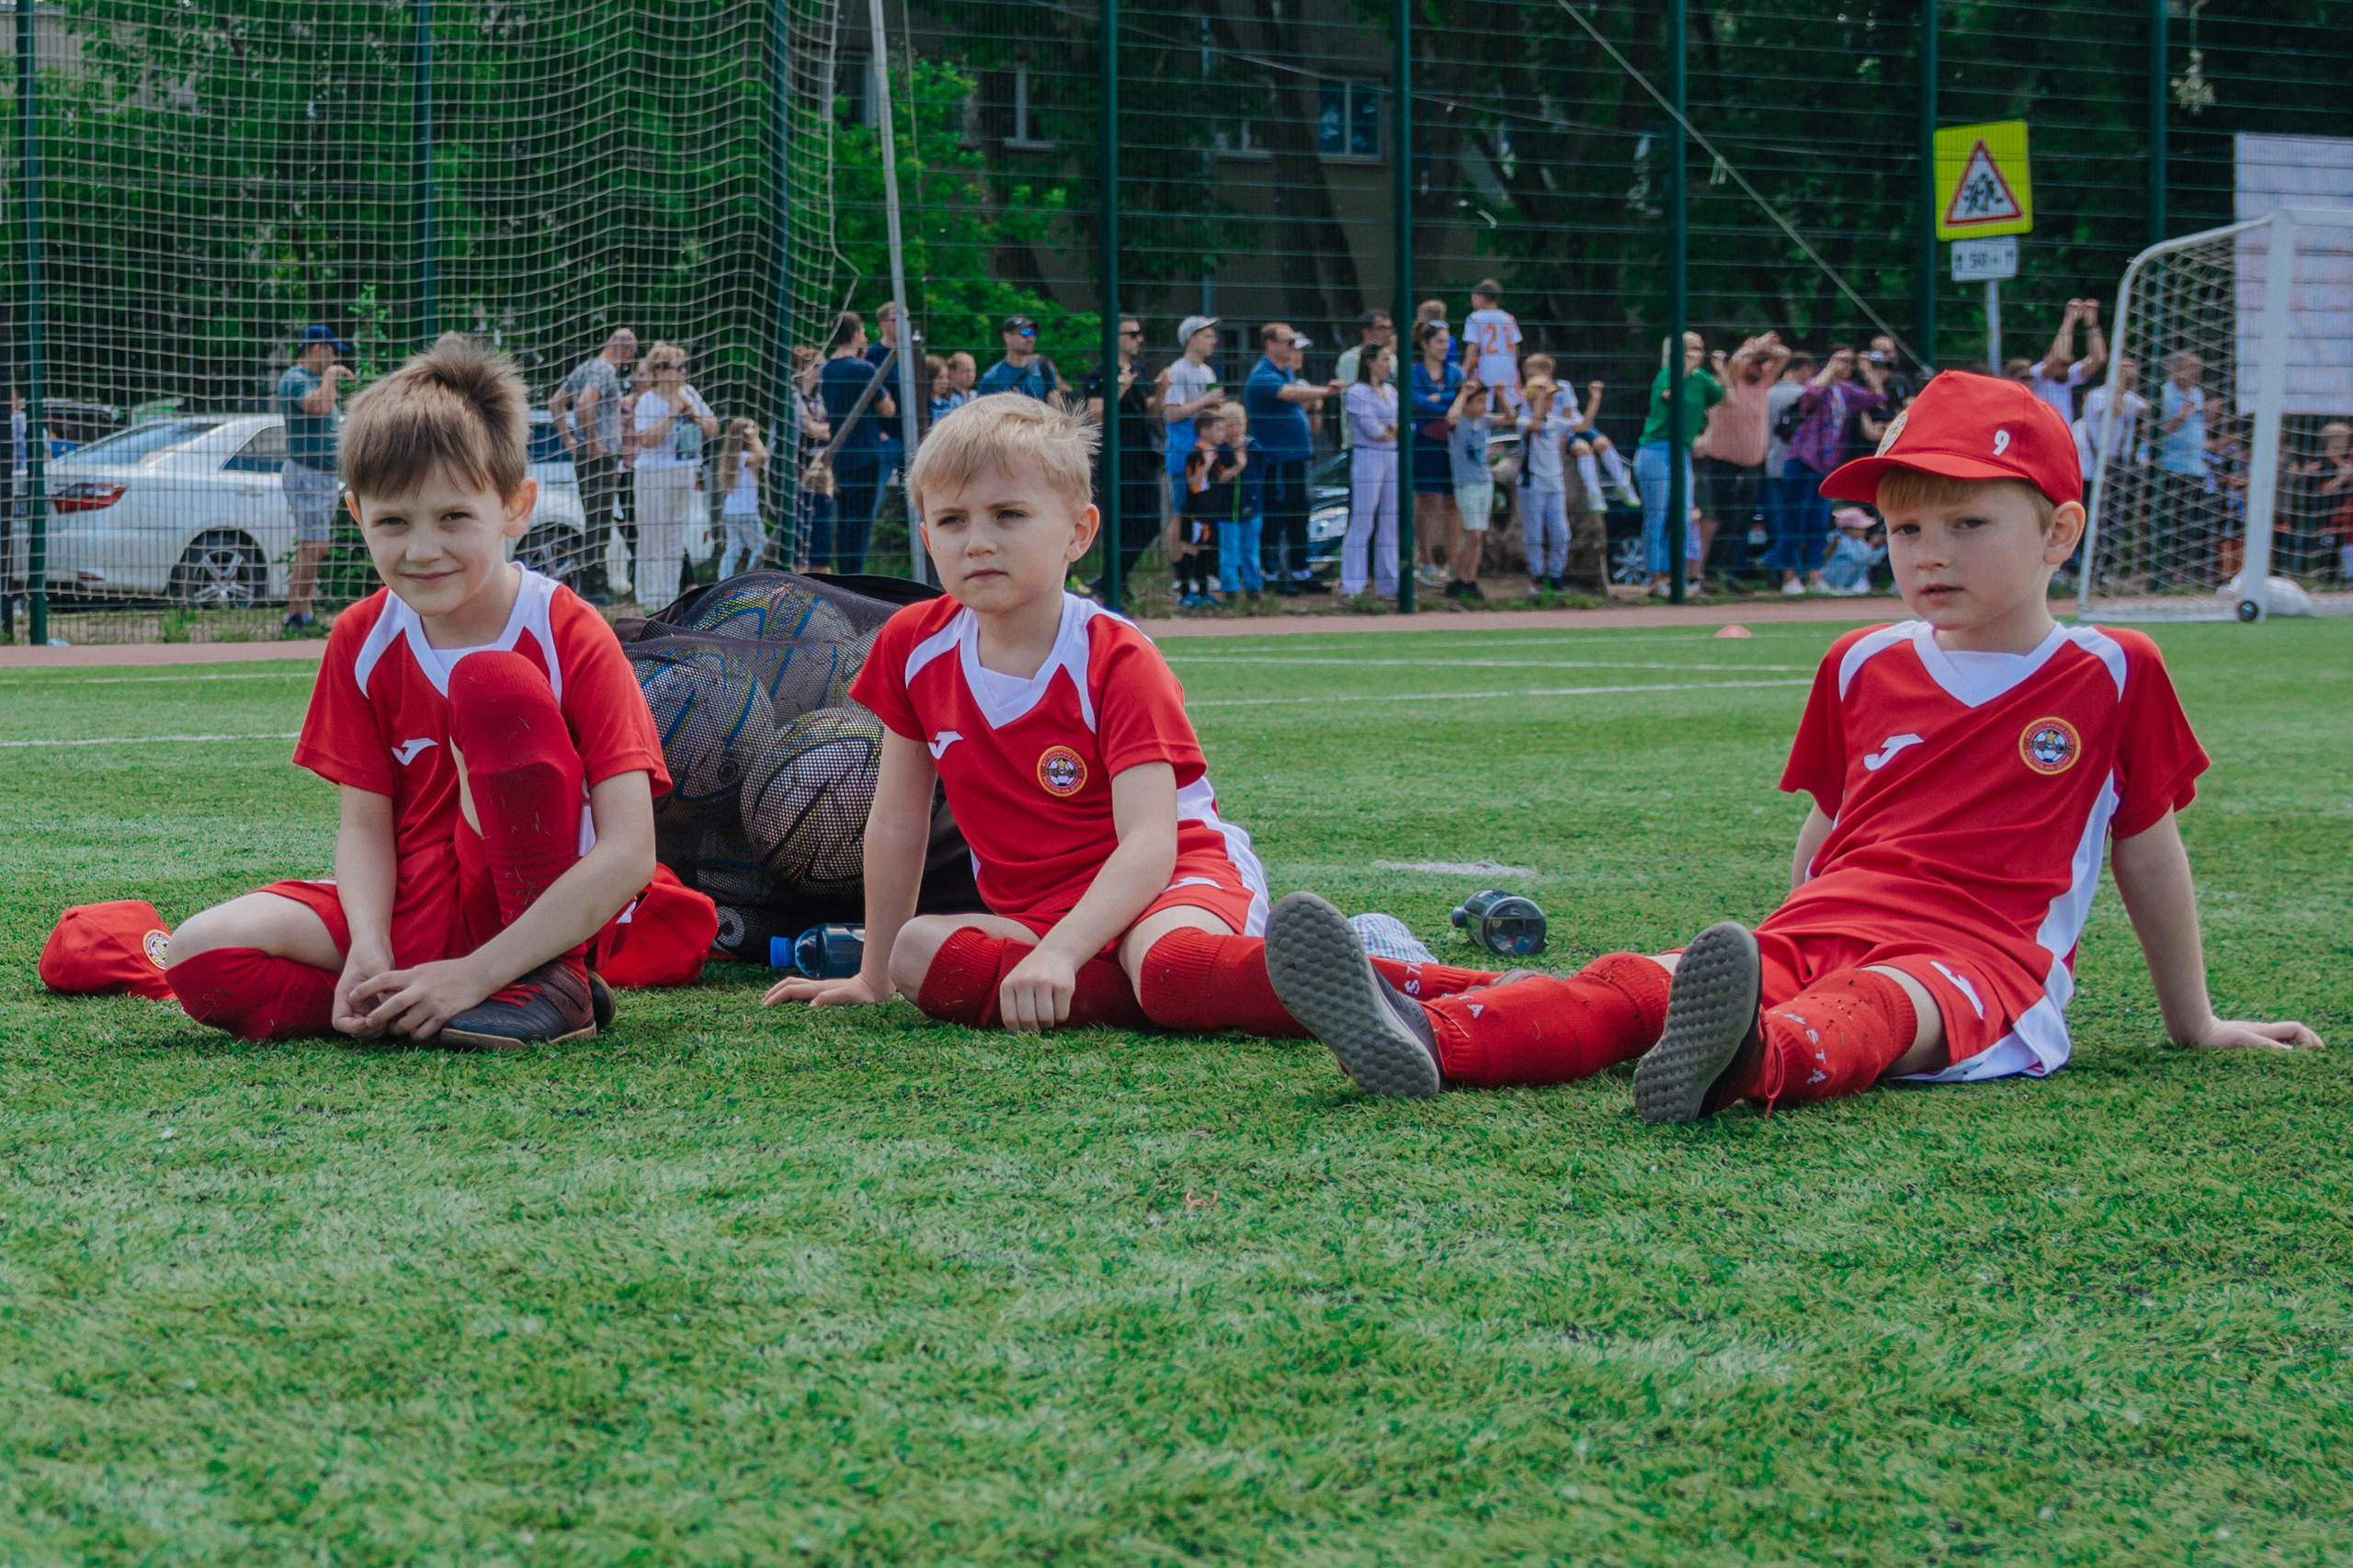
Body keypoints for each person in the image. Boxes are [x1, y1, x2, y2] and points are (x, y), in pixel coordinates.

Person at [1256, 370, 2321, 1106]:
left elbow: (2148, 848)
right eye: (1904, 528)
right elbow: (1826, 829)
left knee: (1865, 1012)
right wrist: (1769, 951)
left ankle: (1742, 1062)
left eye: (1966, 524)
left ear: (2057, 531)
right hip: (1825, 922)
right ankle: (1428, 1038)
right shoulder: (1861, 660)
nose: (1928, 554)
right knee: (1634, 981)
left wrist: (2197, 1021)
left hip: (1983, 963)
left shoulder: (2111, 668)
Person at [759, 393, 1501, 1039]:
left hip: (1172, 879)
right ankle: (1185, 989)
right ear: (927, 539)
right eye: (951, 520)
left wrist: (1059, 954)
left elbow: (1150, 842)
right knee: (917, 952)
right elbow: (897, 820)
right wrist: (873, 974)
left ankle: (1424, 980)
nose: (977, 540)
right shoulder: (912, 645)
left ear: (1079, 532)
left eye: (1008, 514)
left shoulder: (1113, 654)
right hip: (1037, 911)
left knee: (1171, 964)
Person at [162, 335, 681, 1048]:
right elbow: (365, 827)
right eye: (394, 522)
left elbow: (629, 853)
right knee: (199, 954)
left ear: (515, 507)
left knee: (490, 684)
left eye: (454, 518)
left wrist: (477, 970)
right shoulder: (361, 637)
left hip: (522, 906)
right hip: (410, 909)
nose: (423, 550)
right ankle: (410, 997)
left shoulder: (566, 628)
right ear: (357, 518)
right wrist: (370, 948)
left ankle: (542, 979)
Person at [1778, 343, 1887, 595]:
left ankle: (1815, 574)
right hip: (1803, 459)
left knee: (1818, 520)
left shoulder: (1846, 391)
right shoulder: (1820, 385)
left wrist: (1867, 370)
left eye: (1849, 361)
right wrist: (1830, 368)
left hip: (1826, 464)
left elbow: (1877, 397)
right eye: (1841, 360)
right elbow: (1810, 397)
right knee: (1793, 519)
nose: (1845, 366)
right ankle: (1788, 576)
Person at [1245, 322, 1341, 597]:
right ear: (1270, 344)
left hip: (1296, 458)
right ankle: (1272, 574)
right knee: (1276, 516)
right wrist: (1326, 391)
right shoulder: (1263, 375)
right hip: (1277, 461)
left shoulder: (1285, 372)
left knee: (1299, 514)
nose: (1293, 348)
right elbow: (1288, 394)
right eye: (1289, 343)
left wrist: (1314, 407)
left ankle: (1300, 572)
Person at [626, 341, 719, 608]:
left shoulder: (689, 392)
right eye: (678, 367)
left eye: (684, 366)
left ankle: (669, 600)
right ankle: (649, 600)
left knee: (675, 539)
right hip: (654, 477)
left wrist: (694, 416)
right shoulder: (648, 401)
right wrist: (670, 416)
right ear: (660, 371)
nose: (684, 372)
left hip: (684, 473)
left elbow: (714, 428)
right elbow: (645, 440)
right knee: (652, 538)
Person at [278, 324, 357, 631]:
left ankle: (299, 612)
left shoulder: (313, 380)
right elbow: (320, 406)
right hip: (306, 474)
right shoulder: (295, 379)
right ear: (316, 349)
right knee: (315, 545)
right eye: (332, 350)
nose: (335, 357)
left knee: (311, 546)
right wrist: (331, 376)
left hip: (320, 476)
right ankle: (299, 613)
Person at [549, 327, 638, 598]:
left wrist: (568, 439)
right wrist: (592, 441)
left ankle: (592, 582)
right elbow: (586, 402)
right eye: (630, 356)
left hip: (587, 456)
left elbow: (555, 402)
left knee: (594, 519)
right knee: (599, 522)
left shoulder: (585, 366)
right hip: (600, 456)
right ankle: (592, 587)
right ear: (626, 351)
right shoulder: (605, 370)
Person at [1634, 331, 1722, 597]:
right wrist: (1684, 367)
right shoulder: (1667, 374)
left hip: (1681, 451)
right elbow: (1670, 395)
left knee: (1684, 514)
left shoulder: (1701, 378)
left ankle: (1677, 576)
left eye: (1700, 349)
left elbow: (1725, 398)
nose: (1698, 354)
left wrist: (1724, 369)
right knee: (1658, 514)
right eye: (1691, 349)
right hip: (1655, 450)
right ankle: (1655, 577)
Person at [1082, 315, 1160, 602]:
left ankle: (1111, 579)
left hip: (1142, 454)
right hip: (1115, 459)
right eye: (1132, 334)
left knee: (1150, 522)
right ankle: (1115, 584)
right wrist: (1120, 387)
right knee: (1121, 524)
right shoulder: (1098, 375)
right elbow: (1096, 414)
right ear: (1115, 338)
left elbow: (1150, 413)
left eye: (1139, 334)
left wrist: (1161, 392)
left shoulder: (1139, 370)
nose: (1138, 339)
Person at [1699, 334, 1789, 582]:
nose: (1760, 367)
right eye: (1756, 362)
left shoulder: (1763, 383)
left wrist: (1763, 350)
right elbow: (1737, 362)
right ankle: (1711, 571)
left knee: (1743, 521)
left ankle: (1726, 572)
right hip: (1723, 463)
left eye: (1763, 362)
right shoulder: (1730, 381)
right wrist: (1755, 346)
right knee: (1726, 519)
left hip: (1752, 466)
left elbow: (1785, 355)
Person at [815, 312, 896, 574]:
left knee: (845, 519)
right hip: (866, 452)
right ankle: (856, 577)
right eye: (862, 331)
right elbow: (887, 409)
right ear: (854, 334)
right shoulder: (863, 369)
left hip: (840, 454)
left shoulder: (827, 369)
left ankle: (845, 576)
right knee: (860, 522)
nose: (865, 337)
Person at [1408, 320, 1465, 589]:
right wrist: (1447, 402)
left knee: (1453, 504)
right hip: (1425, 441)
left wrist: (1437, 400)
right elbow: (1416, 404)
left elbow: (1463, 401)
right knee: (1428, 502)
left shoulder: (1454, 371)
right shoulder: (1413, 373)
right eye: (1440, 341)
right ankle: (1427, 562)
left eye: (1447, 341)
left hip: (1452, 443)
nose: (1445, 347)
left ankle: (1453, 563)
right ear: (1425, 344)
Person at [1342, 344, 1400, 599]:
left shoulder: (1390, 390)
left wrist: (1389, 430)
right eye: (1384, 359)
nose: (1388, 364)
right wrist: (1389, 430)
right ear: (1370, 361)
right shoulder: (1357, 392)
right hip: (1368, 456)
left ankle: (1389, 584)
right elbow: (1373, 431)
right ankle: (1352, 586)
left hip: (1391, 455)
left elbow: (1403, 426)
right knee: (1363, 520)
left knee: (1390, 520)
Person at [1175, 402, 1237, 607]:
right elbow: (1193, 483)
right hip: (1195, 513)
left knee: (1206, 550)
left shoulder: (1215, 453)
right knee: (1190, 549)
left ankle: (1203, 593)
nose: (1222, 433)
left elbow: (1219, 478)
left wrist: (1239, 466)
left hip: (1210, 512)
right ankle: (1185, 593)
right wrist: (1207, 464)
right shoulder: (1197, 453)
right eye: (1218, 429)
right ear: (1204, 430)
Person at [1517, 369, 1574, 591]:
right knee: (1534, 532)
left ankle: (1556, 575)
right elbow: (1534, 426)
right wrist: (1538, 400)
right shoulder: (1523, 420)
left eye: (1551, 397)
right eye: (1546, 397)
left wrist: (1595, 398)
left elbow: (1583, 426)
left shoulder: (1555, 421)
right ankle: (1538, 576)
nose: (1551, 401)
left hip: (1555, 484)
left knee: (1561, 533)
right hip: (1533, 485)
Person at [1159, 314, 1225, 500]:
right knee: (1183, 514)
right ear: (1191, 339)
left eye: (1213, 336)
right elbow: (1171, 414)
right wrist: (1206, 399)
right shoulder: (1178, 370)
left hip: (1206, 454)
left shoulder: (1207, 372)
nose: (1213, 341)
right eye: (1207, 336)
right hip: (1184, 454)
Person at [1444, 375, 1495, 600]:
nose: (1484, 406)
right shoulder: (1459, 421)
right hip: (1467, 484)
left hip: (1485, 482)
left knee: (1479, 534)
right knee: (1472, 533)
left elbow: (1510, 417)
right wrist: (1464, 392)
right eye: (1479, 401)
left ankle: (1470, 579)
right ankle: (1458, 579)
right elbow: (1451, 418)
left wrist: (1501, 396)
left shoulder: (1484, 421)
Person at [1211, 400, 1266, 600]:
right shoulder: (1221, 451)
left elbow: (1259, 476)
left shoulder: (1255, 447)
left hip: (1252, 508)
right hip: (1228, 511)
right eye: (1230, 425)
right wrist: (1238, 467)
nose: (1235, 429)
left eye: (1239, 424)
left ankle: (1253, 586)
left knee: (1250, 549)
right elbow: (1220, 477)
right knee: (1228, 550)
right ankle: (1230, 588)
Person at [2026, 301, 2107, 422]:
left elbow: (2098, 359)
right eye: (2062, 364)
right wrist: (2069, 319)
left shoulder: (2068, 378)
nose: (2064, 367)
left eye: (2067, 364)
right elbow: (2060, 357)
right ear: (2046, 360)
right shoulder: (2036, 375)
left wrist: (2091, 324)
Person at [713, 418, 768, 579]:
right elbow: (763, 455)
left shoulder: (733, 457)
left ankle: (723, 579)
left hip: (731, 511)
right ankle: (750, 579)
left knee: (734, 547)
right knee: (761, 546)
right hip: (746, 511)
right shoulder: (743, 457)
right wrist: (754, 437)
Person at [1332, 310, 1393, 449]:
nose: (1387, 332)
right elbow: (1353, 398)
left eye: (1390, 327)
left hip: (1390, 440)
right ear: (1366, 331)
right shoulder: (1349, 359)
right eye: (1382, 328)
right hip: (1358, 441)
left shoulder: (1393, 359)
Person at [1462, 279, 1524, 415]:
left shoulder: (1475, 318)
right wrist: (1514, 365)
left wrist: (1464, 369)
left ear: (1480, 297)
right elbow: (1515, 347)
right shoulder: (1508, 318)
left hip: (1487, 364)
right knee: (1509, 400)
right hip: (1508, 364)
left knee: (1485, 401)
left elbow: (1473, 346)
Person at [975, 314, 1059, 401]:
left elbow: (1055, 409)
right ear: (1007, 337)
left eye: (1034, 334)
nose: (1031, 339)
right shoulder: (992, 378)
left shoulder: (1044, 370)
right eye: (1025, 333)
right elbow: (984, 412)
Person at [1818, 506, 1885, 595]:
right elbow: (1859, 558)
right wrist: (1872, 545)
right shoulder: (1840, 539)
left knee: (1862, 564)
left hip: (1847, 578)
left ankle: (1850, 586)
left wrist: (1882, 548)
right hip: (1831, 575)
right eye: (1861, 528)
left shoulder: (1859, 542)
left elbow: (1872, 560)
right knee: (1850, 563)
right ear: (1849, 528)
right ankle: (1838, 586)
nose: (1865, 531)